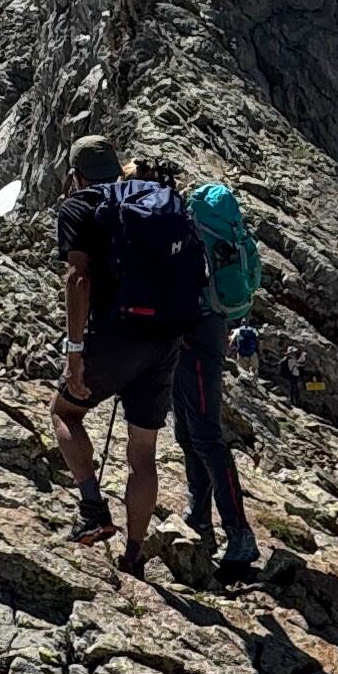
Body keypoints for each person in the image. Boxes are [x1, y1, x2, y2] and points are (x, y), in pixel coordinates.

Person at [51, 132, 205, 562]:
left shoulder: (80, 205)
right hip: (167, 335)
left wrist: (75, 354)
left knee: (65, 412)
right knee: (143, 453)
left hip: (117, 334)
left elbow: (78, 278)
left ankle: (92, 509)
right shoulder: (155, 195)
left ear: (75, 175)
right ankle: (134, 556)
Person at [140, 150, 262, 574]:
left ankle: (239, 534)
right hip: (199, 328)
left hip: (196, 332)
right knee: (190, 433)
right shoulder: (206, 225)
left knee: (205, 434)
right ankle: (201, 518)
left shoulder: (189, 226)